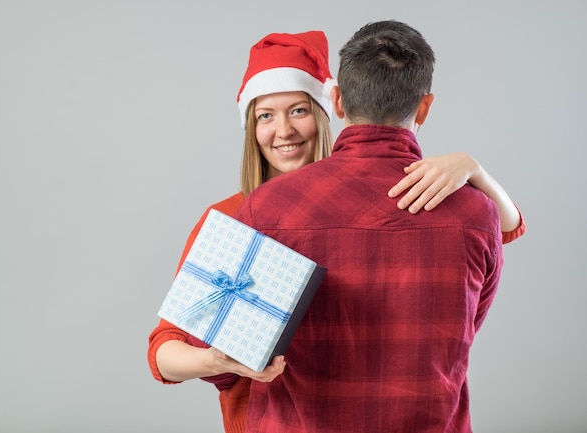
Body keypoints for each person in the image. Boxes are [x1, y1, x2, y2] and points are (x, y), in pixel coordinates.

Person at [148, 29, 526, 433]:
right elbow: (468, 321)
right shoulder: (472, 211)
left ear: (335, 102)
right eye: (265, 115)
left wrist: (472, 167)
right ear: (424, 108)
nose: (284, 131)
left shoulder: (264, 210)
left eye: (297, 111)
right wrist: (215, 361)